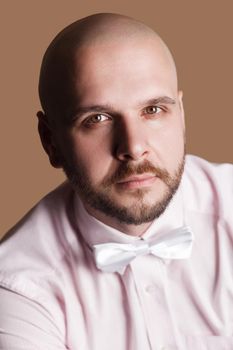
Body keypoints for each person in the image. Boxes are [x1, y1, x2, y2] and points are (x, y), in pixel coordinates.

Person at [0, 13, 232, 350]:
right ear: (50, 141)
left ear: (181, 117)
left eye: (153, 110)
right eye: (97, 118)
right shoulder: (18, 287)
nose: (134, 147)